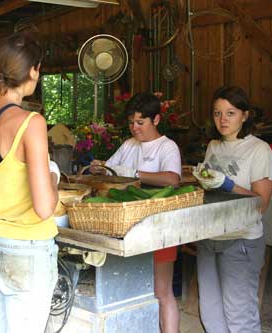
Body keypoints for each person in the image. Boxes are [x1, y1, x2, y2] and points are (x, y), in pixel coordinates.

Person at [0, 32, 60, 333]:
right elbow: (45, 208)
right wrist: (53, 177)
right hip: (26, 250)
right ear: (33, 71)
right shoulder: (31, 123)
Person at [91, 92, 181, 333]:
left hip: (159, 227)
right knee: (135, 290)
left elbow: (173, 179)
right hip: (127, 226)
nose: (135, 128)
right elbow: (111, 170)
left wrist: (136, 174)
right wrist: (99, 168)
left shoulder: (167, 147)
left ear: (157, 120)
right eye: (131, 122)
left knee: (162, 291)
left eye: (141, 122)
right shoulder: (128, 145)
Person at [193, 86, 272, 332]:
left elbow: (261, 203)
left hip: (240, 240)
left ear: (245, 115)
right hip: (210, 237)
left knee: (239, 317)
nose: (223, 119)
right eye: (217, 113)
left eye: (230, 113)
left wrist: (228, 184)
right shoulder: (213, 147)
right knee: (210, 314)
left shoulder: (259, 150)